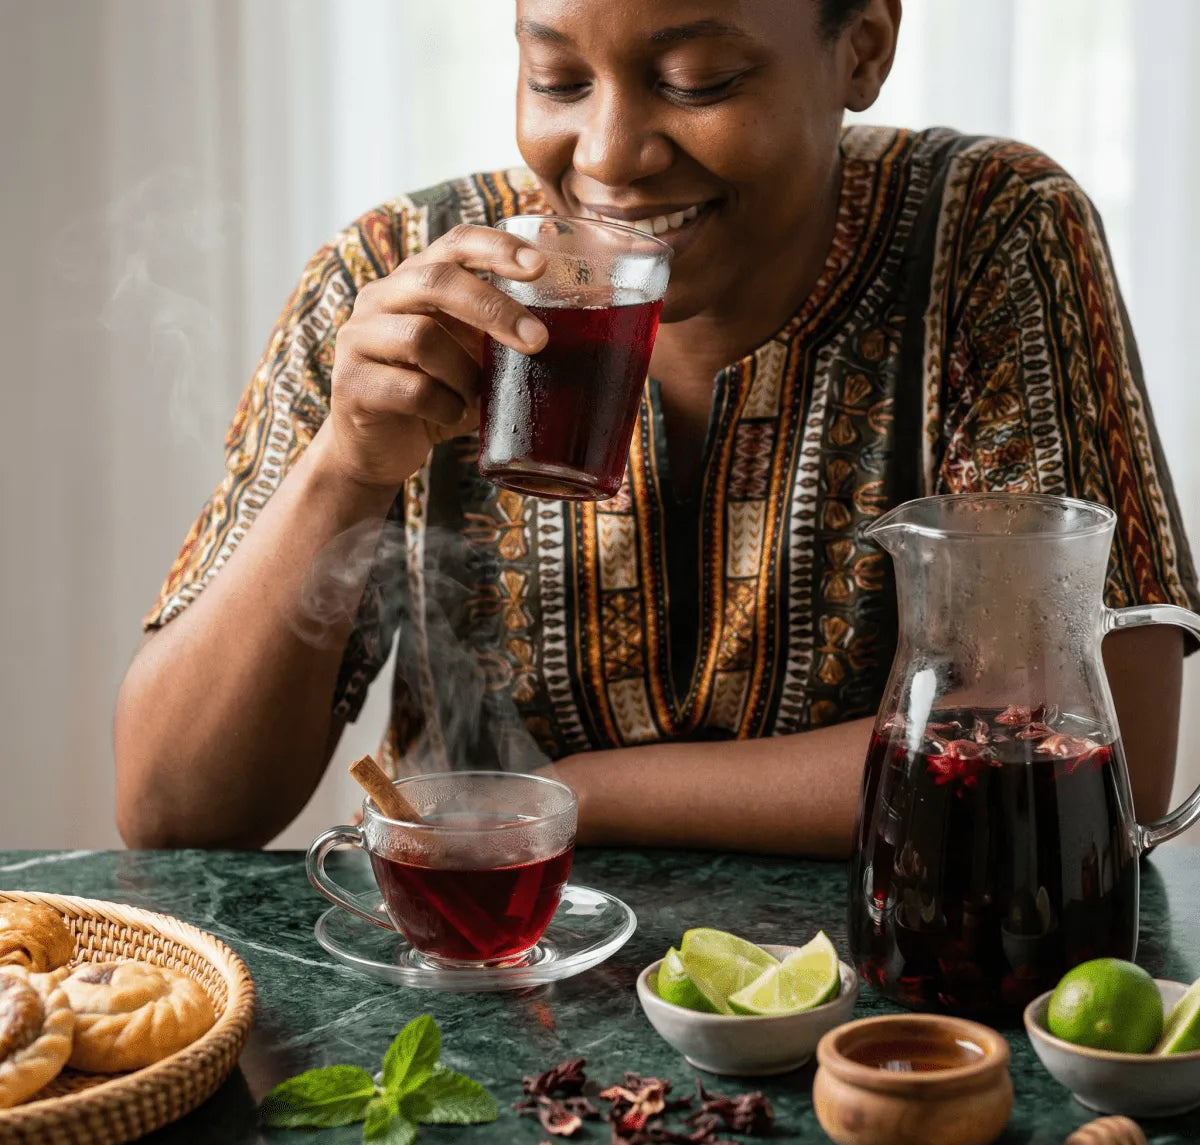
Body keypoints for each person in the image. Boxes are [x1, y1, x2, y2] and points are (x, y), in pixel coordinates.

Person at [114, 0, 1198, 853]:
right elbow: (172, 813)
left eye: (697, 82)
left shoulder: (991, 232)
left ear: (861, 49)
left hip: (886, 996)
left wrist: (575, 798)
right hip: (487, 998)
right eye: (558, 79)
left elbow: (1095, 757)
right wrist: (343, 469)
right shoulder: (398, 276)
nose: (611, 153)